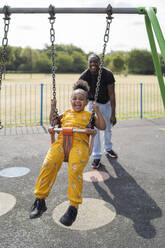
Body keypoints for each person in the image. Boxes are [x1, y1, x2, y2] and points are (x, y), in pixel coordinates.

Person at [29, 79, 106, 226]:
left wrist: (98, 111)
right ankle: (40, 200)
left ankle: (73, 207)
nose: (77, 101)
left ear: (86, 102)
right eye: (74, 98)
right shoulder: (66, 113)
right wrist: (53, 108)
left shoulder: (89, 115)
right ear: (71, 100)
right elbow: (53, 121)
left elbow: (102, 126)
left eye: (81, 99)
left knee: (75, 169)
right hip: (61, 142)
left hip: (80, 145)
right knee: (48, 163)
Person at [79, 53, 117, 169]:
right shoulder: (85, 75)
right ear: (88, 63)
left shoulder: (107, 74)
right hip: (93, 104)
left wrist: (113, 114)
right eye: (91, 62)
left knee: (107, 128)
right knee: (94, 131)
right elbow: (78, 90)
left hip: (106, 104)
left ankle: (108, 148)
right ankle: (96, 156)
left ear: (100, 63)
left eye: (95, 61)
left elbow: (112, 94)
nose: (93, 64)